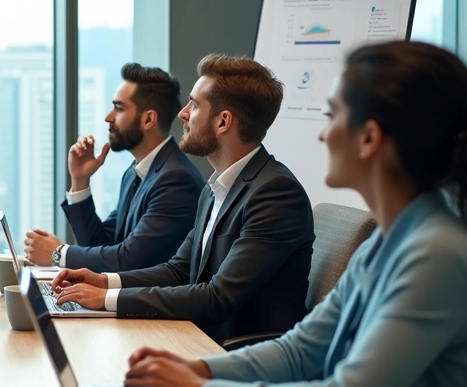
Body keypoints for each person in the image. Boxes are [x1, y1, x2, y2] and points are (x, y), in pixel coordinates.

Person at [120, 41, 467, 387]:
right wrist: (195, 370)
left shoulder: (439, 257)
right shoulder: (388, 241)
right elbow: (299, 352)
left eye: (332, 116)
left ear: (370, 138)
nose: (322, 135)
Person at [51, 54, 314, 343]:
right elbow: (178, 270)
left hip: (237, 353)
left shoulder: (274, 193)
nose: (183, 113)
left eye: (195, 104)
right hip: (196, 336)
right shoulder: (217, 187)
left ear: (223, 121)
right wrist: (105, 281)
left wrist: (106, 298)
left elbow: (218, 297)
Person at [24, 63, 203, 272]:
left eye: (118, 108)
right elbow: (101, 243)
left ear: (148, 119)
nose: (108, 117)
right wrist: (80, 180)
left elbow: (129, 260)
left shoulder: (176, 180)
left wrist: (58, 253)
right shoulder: (135, 173)